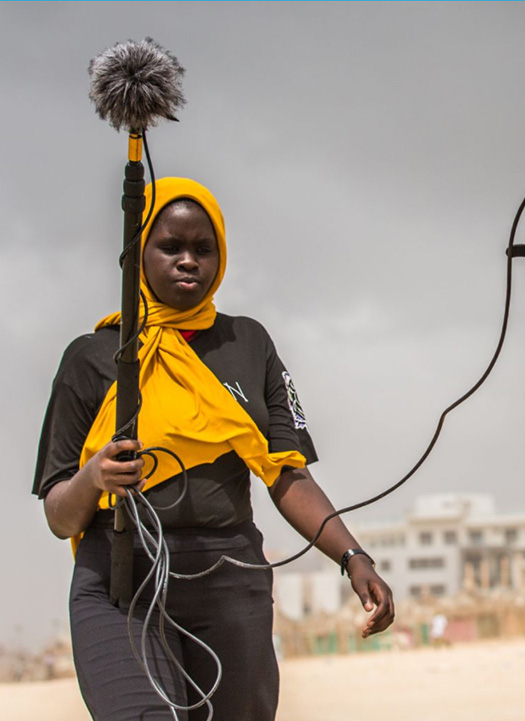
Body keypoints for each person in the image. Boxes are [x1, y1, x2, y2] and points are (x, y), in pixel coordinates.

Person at [32, 178, 394, 721]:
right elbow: (60, 515)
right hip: (119, 583)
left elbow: (286, 475)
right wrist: (94, 477)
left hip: (229, 580)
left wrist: (353, 557)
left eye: (203, 249)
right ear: (136, 253)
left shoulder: (249, 344)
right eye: (170, 247)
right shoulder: (93, 357)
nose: (188, 261)